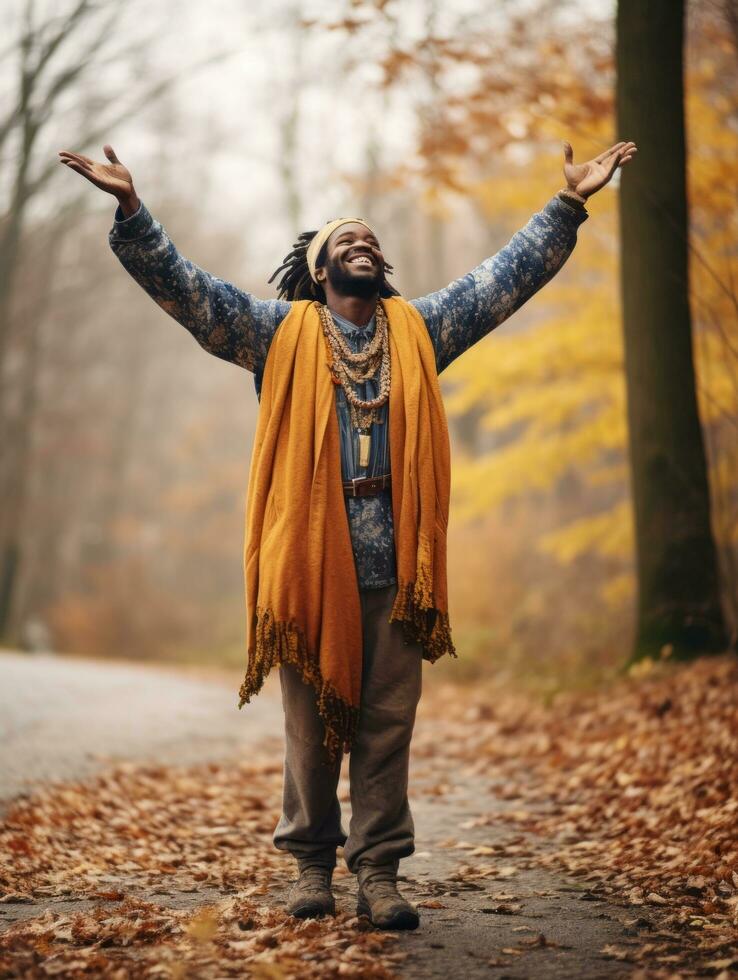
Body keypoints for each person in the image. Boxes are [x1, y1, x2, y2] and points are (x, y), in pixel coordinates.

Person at [58, 137, 637, 931]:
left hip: (399, 569)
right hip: (306, 567)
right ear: (321, 269)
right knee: (309, 731)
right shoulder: (276, 333)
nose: (362, 243)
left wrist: (569, 205)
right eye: (345, 240)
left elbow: (503, 280)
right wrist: (132, 210)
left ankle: (380, 875)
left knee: (386, 731)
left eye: (371, 239)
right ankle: (309, 865)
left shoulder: (421, 331)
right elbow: (189, 293)